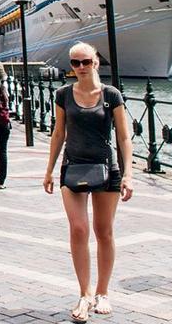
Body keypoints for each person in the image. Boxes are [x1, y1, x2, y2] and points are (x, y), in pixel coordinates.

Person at [43, 43, 134, 323]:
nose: (80, 67)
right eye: (74, 62)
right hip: (72, 167)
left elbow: (124, 136)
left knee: (103, 230)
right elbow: (59, 133)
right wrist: (48, 170)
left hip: (107, 168)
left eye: (85, 61)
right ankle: (85, 293)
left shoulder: (111, 95)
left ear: (96, 62)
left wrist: (129, 174)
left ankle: (102, 292)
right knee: (79, 228)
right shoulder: (62, 94)